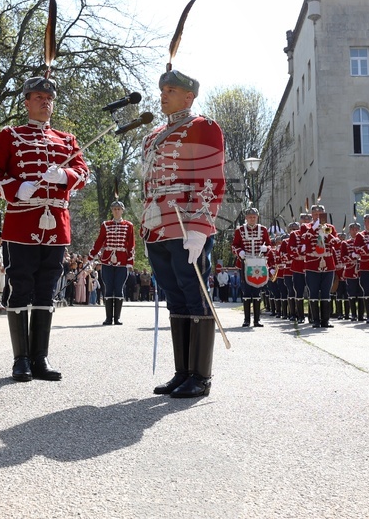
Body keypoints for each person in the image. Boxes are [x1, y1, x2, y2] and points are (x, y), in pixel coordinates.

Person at [0, 74, 88, 383]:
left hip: (56, 225)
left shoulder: (67, 139)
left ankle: (40, 357)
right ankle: (21, 359)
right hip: (22, 223)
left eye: (49, 98)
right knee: (20, 286)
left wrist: (65, 176)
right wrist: (14, 187)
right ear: (26, 101)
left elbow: (83, 173)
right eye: (39, 97)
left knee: (46, 289)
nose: (45, 102)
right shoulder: (10, 136)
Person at [144, 69, 225, 399]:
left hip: (187, 220)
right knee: (174, 294)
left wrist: (200, 228)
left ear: (189, 96)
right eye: (162, 89)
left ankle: (200, 376)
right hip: (158, 225)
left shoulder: (202, 127)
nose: (163, 94)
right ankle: (182, 372)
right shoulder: (153, 135)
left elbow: (211, 178)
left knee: (194, 293)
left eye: (172, 89)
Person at [89, 200, 136, 326]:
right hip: (107, 259)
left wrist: (130, 261)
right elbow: (99, 241)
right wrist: (91, 256)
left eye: (118, 209)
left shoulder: (128, 225)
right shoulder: (106, 224)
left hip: (122, 260)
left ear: (122, 210)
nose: (116, 211)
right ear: (112, 211)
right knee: (108, 287)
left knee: (119, 288)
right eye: (114, 209)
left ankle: (117, 318)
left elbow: (131, 244)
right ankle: (109, 318)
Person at [232, 207, 273, 328]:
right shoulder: (239, 230)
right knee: (246, 291)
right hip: (245, 263)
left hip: (259, 263)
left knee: (257, 290)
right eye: (250, 217)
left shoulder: (263, 229)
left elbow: (269, 245)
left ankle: (257, 320)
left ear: (257, 217)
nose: (252, 219)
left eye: (254, 217)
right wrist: (239, 252)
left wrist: (266, 249)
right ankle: (246, 320)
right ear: (246, 218)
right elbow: (234, 245)